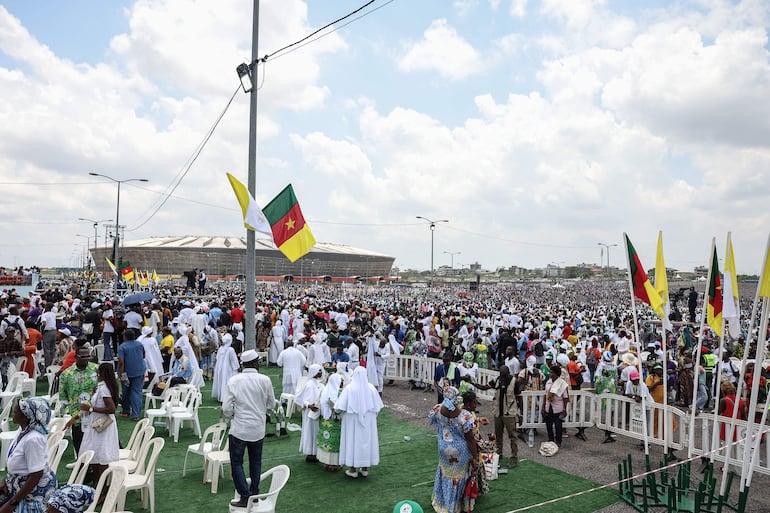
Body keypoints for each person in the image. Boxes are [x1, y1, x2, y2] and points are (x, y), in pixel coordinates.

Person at [222, 350, 276, 508]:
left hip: (239, 428)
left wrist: (235, 414)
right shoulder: (265, 380)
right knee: (255, 461)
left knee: (237, 463)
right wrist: (260, 410)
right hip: (258, 429)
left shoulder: (234, 380)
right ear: (254, 363)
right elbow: (271, 405)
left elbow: (226, 408)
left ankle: (245, 496)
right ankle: (255, 494)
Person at [0, 397, 57, 512]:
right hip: (17, 486)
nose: (13, 412)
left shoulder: (33, 439)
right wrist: (5, 480)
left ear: (26, 416)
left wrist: (13, 503)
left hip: (33, 494)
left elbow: (36, 475)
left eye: (16, 410)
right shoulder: (23, 431)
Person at [428, 386, 478, 513]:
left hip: (444, 449)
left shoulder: (437, 410)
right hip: (460, 452)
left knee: (445, 473)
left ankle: (442, 501)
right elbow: (470, 439)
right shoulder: (464, 416)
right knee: (459, 476)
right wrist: (475, 456)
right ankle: (456, 505)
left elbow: (435, 422)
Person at [77, 364, 120, 493]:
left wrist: (90, 408)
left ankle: (104, 489)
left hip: (103, 425)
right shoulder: (103, 386)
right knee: (95, 454)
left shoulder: (104, 388)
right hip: (97, 424)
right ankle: (97, 486)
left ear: (101, 373)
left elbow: (111, 409)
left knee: (102, 456)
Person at [336, 366, 383, 478]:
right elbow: (378, 407)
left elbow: (340, 406)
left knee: (353, 442)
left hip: (352, 421)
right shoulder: (371, 388)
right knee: (366, 442)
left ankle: (353, 469)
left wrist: (337, 412)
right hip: (368, 421)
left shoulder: (349, 388)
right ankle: (365, 468)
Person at [59, 346, 99, 457]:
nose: (86, 359)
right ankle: (81, 465)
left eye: (88, 356)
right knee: (79, 442)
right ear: (76, 357)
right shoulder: (67, 374)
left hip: (95, 412)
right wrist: (68, 410)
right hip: (77, 414)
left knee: (97, 440)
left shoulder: (96, 369)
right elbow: (63, 395)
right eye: (83, 356)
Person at [482, 365, 519, 469]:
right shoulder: (497, 380)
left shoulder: (514, 381)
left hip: (510, 413)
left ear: (508, 373)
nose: (502, 378)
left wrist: (519, 413)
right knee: (498, 435)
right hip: (498, 412)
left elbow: (519, 396)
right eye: (501, 375)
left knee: (513, 436)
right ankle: (498, 454)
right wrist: (471, 383)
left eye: (504, 375)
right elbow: (485, 387)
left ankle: (514, 457)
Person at [295, 364, 324, 463]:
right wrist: (310, 406)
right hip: (310, 413)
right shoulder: (310, 384)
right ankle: (310, 453)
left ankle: (314, 453)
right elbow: (304, 400)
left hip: (315, 412)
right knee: (310, 432)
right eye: (318, 371)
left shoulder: (316, 383)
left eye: (320, 371)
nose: (320, 373)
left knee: (314, 432)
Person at [317, 373, 344, 471]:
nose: (342, 383)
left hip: (325, 420)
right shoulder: (339, 393)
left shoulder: (325, 391)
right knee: (334, 442)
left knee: (326, 440)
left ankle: (326, 463)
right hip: (335, 422)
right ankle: (334, 464)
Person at [117, 328, 145, 421]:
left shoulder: (122, 346)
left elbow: (121, 362)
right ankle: (136, 414)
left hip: (126, 372)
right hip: (139, 371)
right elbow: (143, 355)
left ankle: (126, 411)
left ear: (125, 337)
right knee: (137, 392)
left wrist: (121, 373)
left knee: (126, 391)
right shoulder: (139, 344)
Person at [543, 365, 570, 447]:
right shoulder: (548, 382)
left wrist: (564, 409)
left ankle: (558, 441)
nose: (550, 373)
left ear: (555, 374)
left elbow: (565, 397)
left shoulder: (562, 384)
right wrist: (543, 407)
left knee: (558, 425)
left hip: (558, 407)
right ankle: (550, 439)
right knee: (548, 424)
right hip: (549, 406)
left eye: (551, 372)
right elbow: (545, 395)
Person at [212, 333, 238, 402]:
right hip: (229, 369)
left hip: (220, 368)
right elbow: (234, 360)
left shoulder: (221, 349)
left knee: (222, 381)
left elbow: (217, 358)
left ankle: (221, 395)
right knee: (228, 382)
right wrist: (236, 367)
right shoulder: (230, 350)